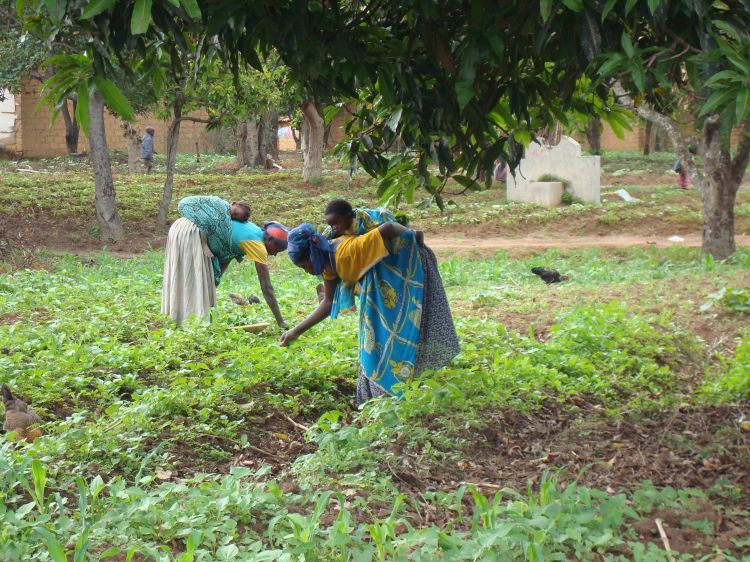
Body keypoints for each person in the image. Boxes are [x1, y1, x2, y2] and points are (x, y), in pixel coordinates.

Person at [279, 218, 459, 405]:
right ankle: (377, 403)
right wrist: (295, 331)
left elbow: (389, 227)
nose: (306, 271)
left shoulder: (347, 249)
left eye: (303, 265)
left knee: (396, 337)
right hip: (380, 291)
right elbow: (329, 302)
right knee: (373, 343)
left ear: (312, 254)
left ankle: (397, 398)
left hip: (404, 274)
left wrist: (414, 236)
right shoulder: (327, 262)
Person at [161, 195, 288, 326]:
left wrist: (213, 282)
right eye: (277, 249)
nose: (275, 254)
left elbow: (226, 254)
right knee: (192, 280)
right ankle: (189, 324)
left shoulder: (253, 229)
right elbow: (266, 287)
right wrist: (281, 321)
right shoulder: (258, 246)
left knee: (194, 280)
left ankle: (179, 319)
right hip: (193, 232)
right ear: (270, 240)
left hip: (182, 227)